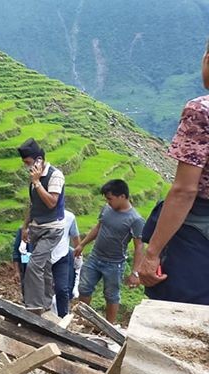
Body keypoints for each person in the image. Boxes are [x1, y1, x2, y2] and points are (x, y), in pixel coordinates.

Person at [135, 40, 209, 306]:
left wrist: (152, 253)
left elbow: (185, 190)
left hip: (196, 233)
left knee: (179, 316)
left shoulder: (201, 111)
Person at [75, 180, 144, 322]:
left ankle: (109, 327)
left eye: (110, 198)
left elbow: (139, 247)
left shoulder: (135, 220)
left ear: (123, 197)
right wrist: (82, 244)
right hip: (95, 257)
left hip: (114, 264)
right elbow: (98, 227)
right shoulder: (106, 209)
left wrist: (135, 272)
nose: (108, 201)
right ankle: (81, 319)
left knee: (111, 295)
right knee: (84, 288)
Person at [18, 138, 66, 312]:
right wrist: (26, 226)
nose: (27, 167)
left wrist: (37, 182)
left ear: (39, 160)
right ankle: (45, 303)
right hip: (37, 227)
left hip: (52, 229)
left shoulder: (55, 176)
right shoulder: (33, 178)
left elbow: (51, 202)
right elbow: (33, 204)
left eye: (28, 163)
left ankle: (34, 306)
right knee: (44, 266)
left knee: (34, 265)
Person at [50, 210, 80, 317]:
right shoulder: (41, 214)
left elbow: (75, 238)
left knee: (62, 289)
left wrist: (78, 255)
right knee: (41, 288)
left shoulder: (69, 217)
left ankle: (62, 317)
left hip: (61, 256)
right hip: (43, 256)